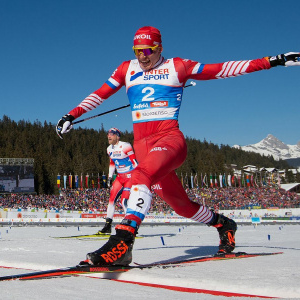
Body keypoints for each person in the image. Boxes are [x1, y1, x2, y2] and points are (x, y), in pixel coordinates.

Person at [56, 26, 300, 266]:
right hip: (145, 149)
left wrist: (271, 61)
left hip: (169, 140)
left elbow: (221, 69)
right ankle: (224, 224)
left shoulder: (177, 66)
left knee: (139, 175)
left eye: (148, 50)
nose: (142, 56)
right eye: (137, 50)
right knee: (181, 207)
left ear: (159, 48)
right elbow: (100, 93)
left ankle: (122, 241)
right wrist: (71, 115)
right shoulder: (126, 68)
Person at [97, 127, 138, 235]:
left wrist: (139, 176)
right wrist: (110, 177)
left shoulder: (126, 146)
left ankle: (131, 226)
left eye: (111, 134)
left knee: (124, 201)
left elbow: (134, 162)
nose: (109, 136)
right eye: (108, 134)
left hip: (130, 176)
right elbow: (112, 163)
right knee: (111, 199)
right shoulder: (109, 149)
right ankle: (107, 226)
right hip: (120, 177)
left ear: (117, 136)